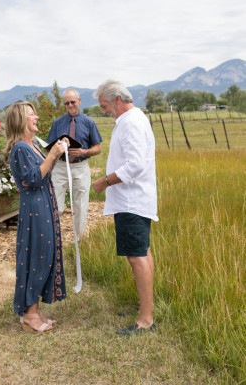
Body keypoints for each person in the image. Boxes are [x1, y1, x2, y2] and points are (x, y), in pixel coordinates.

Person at [92, 80, 158, 336]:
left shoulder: (131, 122)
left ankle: (145, 320)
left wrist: (104, 181)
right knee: (143, 252)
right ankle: (145, 308)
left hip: (132, 201)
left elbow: (135, 166)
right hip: (134, 200)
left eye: (105, 105)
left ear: (118, 99)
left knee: (137, 257)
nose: (104, 111)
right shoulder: (133, 119)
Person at [4, 101, 69, 333]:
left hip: (44, 203)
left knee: (45, 254)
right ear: (21, 120)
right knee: (37, 256)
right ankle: (29, 315)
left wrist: (57, 151)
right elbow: (32, 178)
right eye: (32, 114)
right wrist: (52, 154)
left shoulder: (32, 146)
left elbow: (44, 170)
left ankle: (35, 309)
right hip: (34, 208)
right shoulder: (20, 148)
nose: (37, 117)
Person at [47, 88, 102, 240]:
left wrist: (83, 152)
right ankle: (53, 240)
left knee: (80, 206)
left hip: (80, 167)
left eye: (72, 102)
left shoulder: (89, 122)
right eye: (66, 103)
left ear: (79, 101)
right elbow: (50, 147)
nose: (70, 105)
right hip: (60, 166)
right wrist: (58, 147)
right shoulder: (58, 123)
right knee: (55, 205)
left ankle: (79, 240)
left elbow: (98, 148)